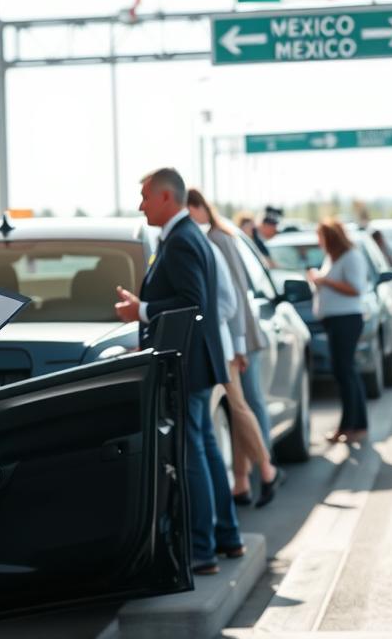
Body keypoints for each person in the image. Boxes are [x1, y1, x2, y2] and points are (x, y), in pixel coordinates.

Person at [113, 168, 243, 576]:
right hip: (198, 362)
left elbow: (192, 301)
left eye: (145, 197)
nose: (140, 205)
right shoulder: (186, 236)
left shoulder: (183, 240)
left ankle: (203, 550)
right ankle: (227, 537)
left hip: (189, 362)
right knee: (203, 447)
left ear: (166, 197)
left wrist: (143, 311)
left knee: (192, 456)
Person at [187, 189, 280, 508]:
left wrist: (239, 345)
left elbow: (234, 297)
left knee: (244, 405)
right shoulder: (214, 235)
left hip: (237, 338)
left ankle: (264, 470)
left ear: (199, 207)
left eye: (189, 210)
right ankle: (243, 479)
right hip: (232, 337)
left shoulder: (220, 238)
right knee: (240, 407)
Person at [308, 219, 370, 445]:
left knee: (345, 373)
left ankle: (351, 426)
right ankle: (355, 425)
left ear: (331, 238)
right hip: (334, 321)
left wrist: (325, 281)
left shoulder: (351, 257)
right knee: (346, 373)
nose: (319, 242)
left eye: (321, 237)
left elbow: (356, 289)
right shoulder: (331, 257)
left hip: (346, 320)